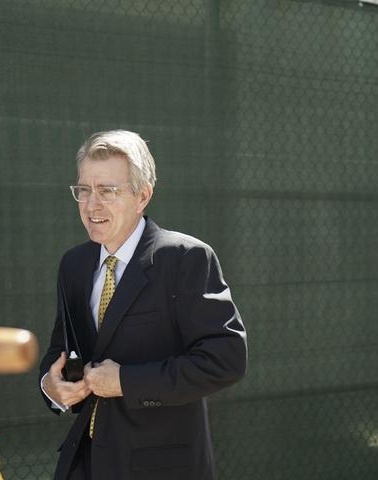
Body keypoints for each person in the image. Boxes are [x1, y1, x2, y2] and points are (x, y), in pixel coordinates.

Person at [38, 130, 247, 479]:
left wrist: (125, 381)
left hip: (161, 468)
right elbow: (61, 349)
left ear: (142, 196)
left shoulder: (186, 259)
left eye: (107, 191)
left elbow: (225, 360)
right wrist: (51, 386)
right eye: (84, 190)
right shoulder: (73, 265)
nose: (91, 205)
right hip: (85, 464)